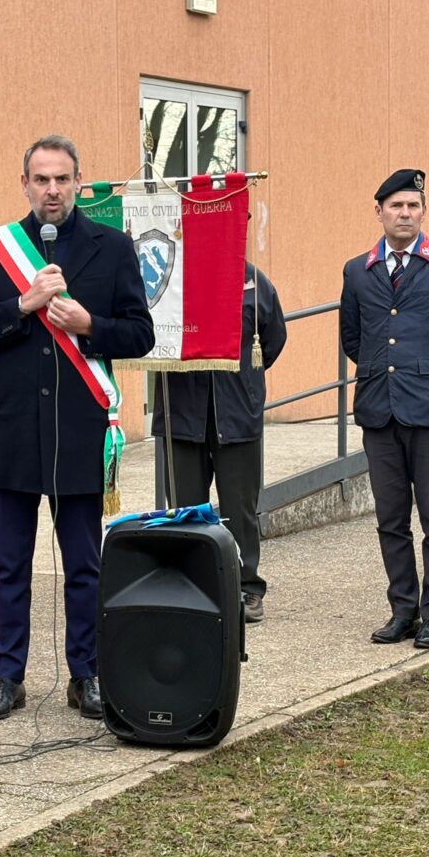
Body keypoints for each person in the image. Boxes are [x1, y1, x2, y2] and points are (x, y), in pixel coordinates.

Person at [0, 134, 154, 720]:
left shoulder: (112, 248)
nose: (51, 190)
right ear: (25, 184)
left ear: (77, 182)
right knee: (10, 566)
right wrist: (23, 304)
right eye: (40, 179)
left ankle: (86, 674)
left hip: (81, 431)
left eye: (62, 179)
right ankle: (7, 677)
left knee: (84, 565)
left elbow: (140, 334)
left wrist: (90, 322)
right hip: (13, 434)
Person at [340, 168, 429, 650]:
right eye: (395, 206)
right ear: (379, 212)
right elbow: (353, 337)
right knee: (390, 519)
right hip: (379, 411)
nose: (404, 213)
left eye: (412, 206)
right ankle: (402, 610)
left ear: (423, 212)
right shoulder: (357, 270)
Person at [151, 262, 287, 622]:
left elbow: (272, 340)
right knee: (184, 510)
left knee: (239, 508)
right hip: (182, 413)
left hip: (236, 412)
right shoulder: (172, 274)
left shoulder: (254, 282)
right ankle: (191, 585)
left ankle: (247, 588)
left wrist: (244, 379)